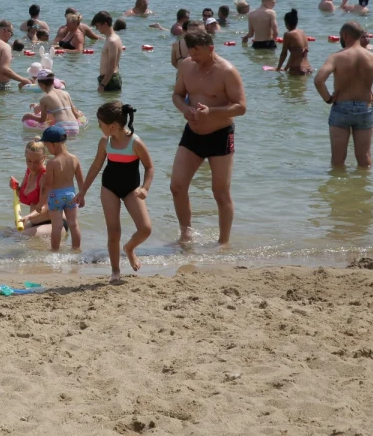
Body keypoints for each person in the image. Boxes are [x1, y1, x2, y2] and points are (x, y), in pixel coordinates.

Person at [171, 30, 246, 245]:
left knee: (220, 192)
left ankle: (223, 243)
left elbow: (241, 107)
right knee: (177, 186)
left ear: (211, 48)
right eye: (190, 53)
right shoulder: (186, 66)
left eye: (197, 53)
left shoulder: (227, 71)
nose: (193, 58)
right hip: (192, 134)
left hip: (220, 136)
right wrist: (185, 109)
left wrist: (210, 112)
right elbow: (176, 95)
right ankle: (186, 234)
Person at [75, 102, 154, 283]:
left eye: (100, 123)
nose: (98, 127)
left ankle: (129, 248)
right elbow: (96, 167)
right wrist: (83, 191)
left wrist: (145, 188)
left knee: (145, 228)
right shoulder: (105, 142)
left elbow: (149, 167)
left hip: (132, 189)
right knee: (113, 231)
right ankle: (115, 271)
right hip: (109, 187)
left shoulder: (135, 142)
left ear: (112, 126)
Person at [315, 21, 373, 168]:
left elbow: (318, 80)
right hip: (365, 108)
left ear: (345, 35)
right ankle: (363, 189)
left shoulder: (336, 57)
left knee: (338, 159)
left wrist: (328, 99)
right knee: (364, 158)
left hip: (341, 108)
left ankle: (339, 189)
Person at [39, 125, 83, 251]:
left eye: (47, 146)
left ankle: (55, 252)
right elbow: (80, 179)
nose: (47, 149)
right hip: (71, 195)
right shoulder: (74, 158)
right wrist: (82, 195)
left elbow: (48, 185)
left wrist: (41, 204)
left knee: (57, 227)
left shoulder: (52, 163)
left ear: (53, 144)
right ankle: (76, 250)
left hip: (55, 196)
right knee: (74, 225)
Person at [15, 139, 54, 234]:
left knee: (18, 237)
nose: (32, 166)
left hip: (52, 223)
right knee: (7, 233)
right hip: (36, 223)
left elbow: (45, 206)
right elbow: (22, 196)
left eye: (37, 162)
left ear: (44, 158)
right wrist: (16, 188)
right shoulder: (29, 171)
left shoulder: (45, 176)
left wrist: (28, 217)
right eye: (29, 161)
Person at [31, 71, 83, 138]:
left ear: (42, 85)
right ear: (53, 82)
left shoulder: (44, 99)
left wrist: (29, 116)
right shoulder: (66, 93)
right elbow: (76, 114)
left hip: (61, 127)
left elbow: (43, 120)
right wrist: (80, 113)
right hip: (74, 127)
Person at [92, 11, 123, 92]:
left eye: (97, 26)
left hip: (109, 81)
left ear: (105, 24)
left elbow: (112, 67)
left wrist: (102, 85)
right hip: (110, 79)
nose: (96, 29)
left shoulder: (112, 41)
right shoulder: (114, 38)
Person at [276, 9, 312, 75]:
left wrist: (278, 68)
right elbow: (295, 53)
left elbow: (284, 54)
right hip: (308, 68)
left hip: (297, 69)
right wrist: (286, 68)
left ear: (286, 23)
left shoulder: (288, 34)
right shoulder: (302, 32)